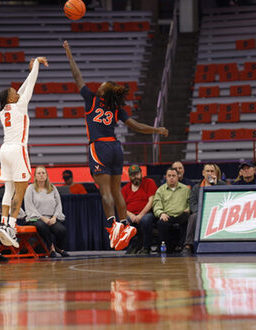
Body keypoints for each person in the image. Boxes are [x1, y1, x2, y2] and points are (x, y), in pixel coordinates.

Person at [63, 40, 168, 251]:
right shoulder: (116, 107)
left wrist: (69, 54)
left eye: (101, 85)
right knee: (117, 190)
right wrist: (157, 130)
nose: (98, 85)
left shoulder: (91, 99)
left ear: (102, 91)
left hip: (99, 147)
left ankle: (112, 225)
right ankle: (126, 224)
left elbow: (77, 77)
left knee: (105, 192)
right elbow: (136, 126)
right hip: (116, 148)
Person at [0, 56, 49, 248]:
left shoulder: (4, 111)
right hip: (17, 149)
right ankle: (11, 226)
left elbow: (22, 89)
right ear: (11, 98)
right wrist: (35, 64)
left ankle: (3, 223)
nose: (17, 92)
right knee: (20, 189)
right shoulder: (20, 106)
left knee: (9, 190)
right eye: (14, 92)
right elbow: (30, 85)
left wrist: (30, 69)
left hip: (4, 150)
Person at [181, 164, 226, 256]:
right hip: (201, 213)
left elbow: (225, 200)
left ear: (216, 173)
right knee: (193, 217)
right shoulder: (197, 188)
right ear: (203, 173)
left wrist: (215, 185)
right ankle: (188, 246)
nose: (210, 173)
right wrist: (203, 212)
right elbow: (193, 204)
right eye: (207, 171)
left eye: (212, 171)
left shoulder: (222, 185)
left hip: (218, 212)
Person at [24, 166, 69, 258]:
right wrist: (42, 218)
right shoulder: (30, 188)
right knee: (42, 226)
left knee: (61, 230)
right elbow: (29, 206)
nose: (41, 175)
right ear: (35, 176)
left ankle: (58, 248)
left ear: (47, 175)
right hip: (35, 218)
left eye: (43, 173)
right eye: (39, 173)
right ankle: (51, 248)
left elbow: (58, 205)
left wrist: (54, 217)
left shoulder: (52, 188)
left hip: (51, 217)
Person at [121, 165, 157, 255]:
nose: (135, 177)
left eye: (137, 174)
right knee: (125, 222)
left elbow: (151, 201)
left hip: (146, 213)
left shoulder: (149, 182)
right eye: (132, 175)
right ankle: (134, 246)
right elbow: (121, 207)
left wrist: (141, 215)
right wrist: (131, 215)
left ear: (141, 173)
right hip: (131, 215)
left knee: (146, 220)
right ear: (129, 176)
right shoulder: (125, 189)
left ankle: (146, 247)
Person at [153, 167, 190, 253]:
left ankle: (183, 247)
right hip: (167, 215)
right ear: (166, 177)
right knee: (161, 223)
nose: (171, 178)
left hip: (182, 215)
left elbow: (190, 202)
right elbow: (156, 204)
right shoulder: (160, 190)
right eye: (169, 176)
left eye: (173, 175)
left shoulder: (186, 189)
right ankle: (166, 248)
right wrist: (161, 213)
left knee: (187, 219)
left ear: (178, 177)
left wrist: (188, 209)